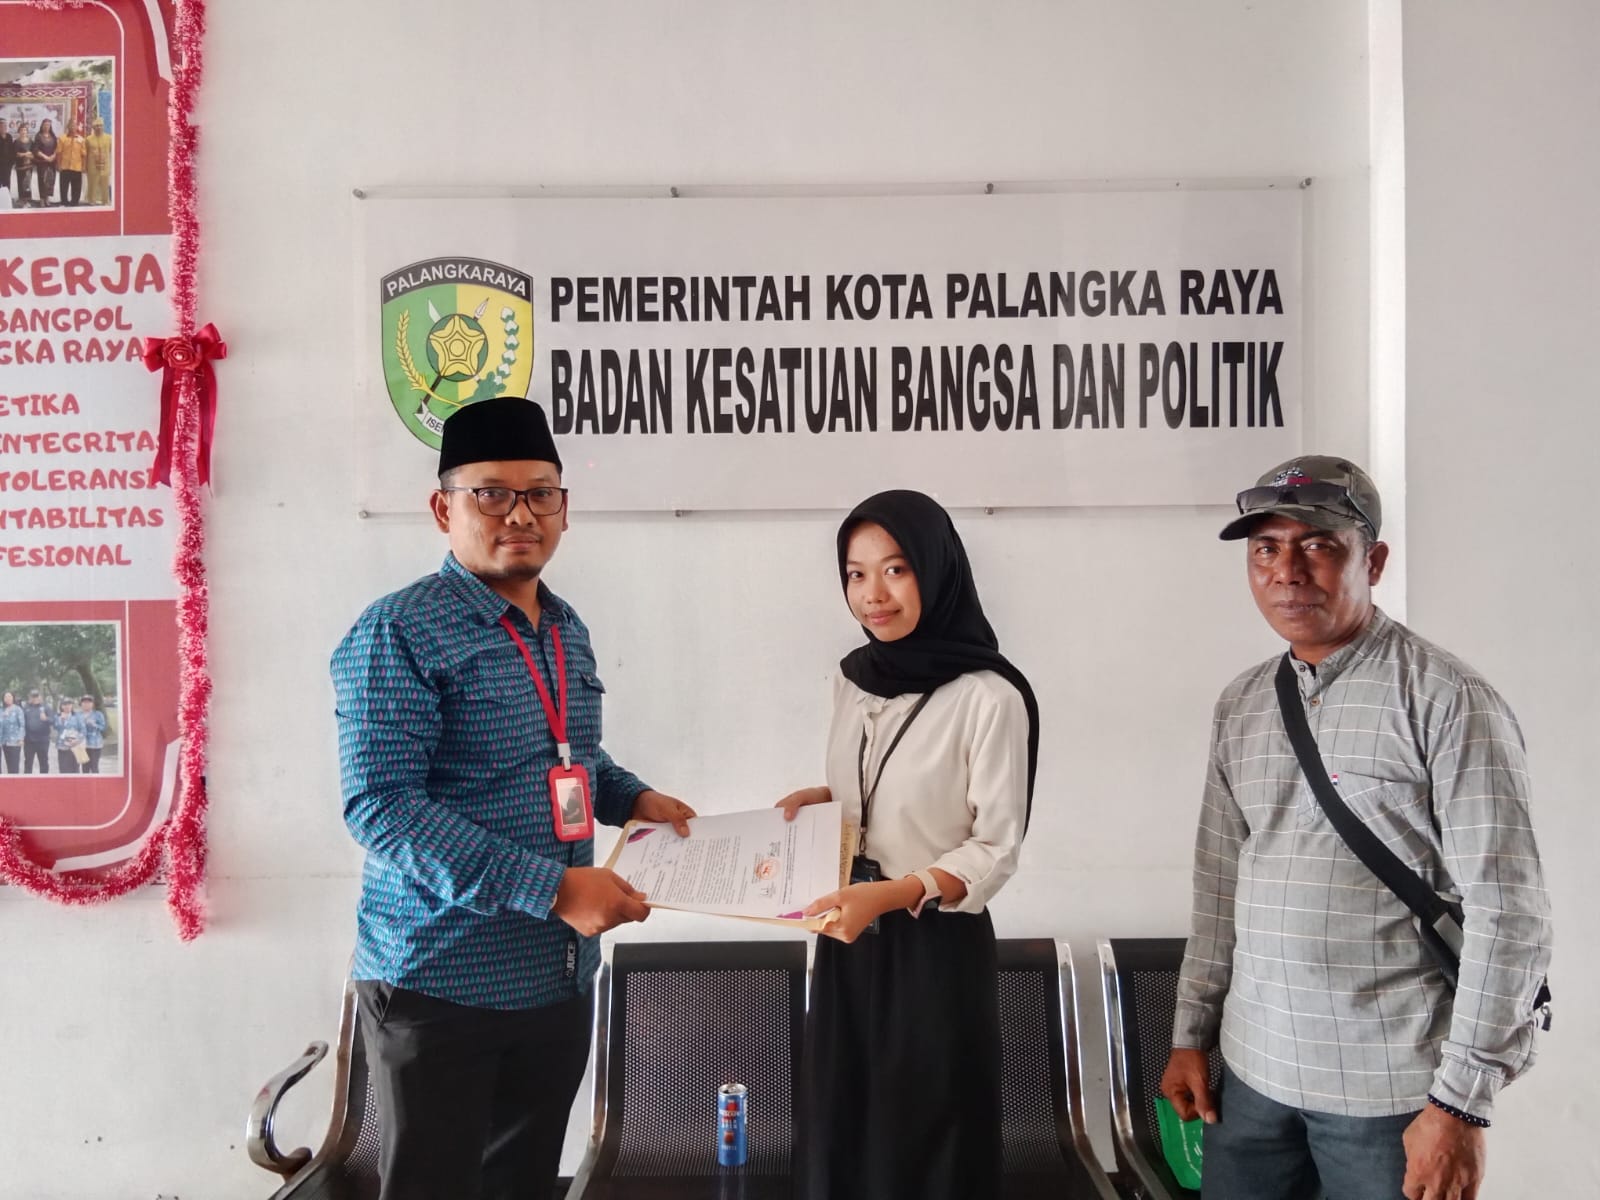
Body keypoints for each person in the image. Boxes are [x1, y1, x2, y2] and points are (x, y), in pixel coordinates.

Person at [1160, 456, 1553, 1200]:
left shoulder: (1447, 699)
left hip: (1392, 1091)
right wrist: (1190, 1035)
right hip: (1252, 1079)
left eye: (1318, 545)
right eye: (1266, 549)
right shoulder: (1242, 703)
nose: (1287, 571)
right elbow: (1218, 885)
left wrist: (1460, 1105)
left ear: (1372, 561)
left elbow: (1510, 912)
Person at [332, 396, 695, 1200]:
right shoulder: (399, 631)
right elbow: (381, 804)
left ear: (565, 507)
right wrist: (555, 888)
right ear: (444, 509)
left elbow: (568, 760)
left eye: (540, 494)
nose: (520, 514)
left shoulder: (564, 627)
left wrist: (634, 798)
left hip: (555, 979)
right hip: (440, 981)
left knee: (522, 1186)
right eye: (492, 494)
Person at [778, 489, 1040, 1200]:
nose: (873, 594)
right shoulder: (853, 680)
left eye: (896, 569)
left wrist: (896, 893)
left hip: (933, 947)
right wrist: (824, 800)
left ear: (937, 568)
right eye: (856, 573)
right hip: (847, 935)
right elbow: (878, 792)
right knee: (843, 1122)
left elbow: (995, 847)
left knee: (925, 1136)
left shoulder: (990, 696)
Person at [56, 119, 86, 206]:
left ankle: (74, 202)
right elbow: (59, 153)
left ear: (77, 127)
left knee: (76, 187)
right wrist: (58, 165)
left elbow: (84, 155)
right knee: (63, 187)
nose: (73, 127)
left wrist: (84, 166)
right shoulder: (62, 138)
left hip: (77, 167)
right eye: (71, 125)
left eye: (74, 125)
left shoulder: (81, 139)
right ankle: (64, 202)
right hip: (65, 167)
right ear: (68, 126)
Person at [22, 689, 52, 773]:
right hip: (29, 740)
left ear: (40, 697)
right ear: (30, 697)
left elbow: (53, 720)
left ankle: (44, 779)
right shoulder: (26, 707)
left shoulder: (46, 707)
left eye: (36, 696)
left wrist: (46, 719)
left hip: (43, 740)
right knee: (28, 763)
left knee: (44, 762)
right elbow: (21, 722)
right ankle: (27, 780)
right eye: (33, 696)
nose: (35, 698)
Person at [85, 117, 112, 206]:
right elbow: (86, 153)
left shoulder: (109, 138)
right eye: (97, 126)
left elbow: (111, 150)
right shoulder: (88, 139)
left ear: (103, 127)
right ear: (93, 128)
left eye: (100, 125)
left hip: (105, 165)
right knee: (92, 183)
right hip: (92, 165)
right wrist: (85, 166)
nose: (99, 127)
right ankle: (91, 200)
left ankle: (105, 201)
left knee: (105, 184)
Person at [53, 698, 84, 774]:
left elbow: (83, 730)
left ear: (72, 705)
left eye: (69, 704)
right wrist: (62, 720)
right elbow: (56, 727)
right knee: (64, 770)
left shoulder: (78, 716)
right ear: (61, 706)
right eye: (65, 704)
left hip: (77, 746)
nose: (67, 706)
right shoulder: (57, 716)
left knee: (76, 770)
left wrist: (77, 740)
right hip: (63, 746)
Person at [31, 118, 57, 207]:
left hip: (51, 162)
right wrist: (45, 157)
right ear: (42, 126)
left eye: (48, 125)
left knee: (50, 180)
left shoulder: (53, 136)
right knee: (42, 180)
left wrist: (53, 156)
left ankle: (47, 198)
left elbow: (56, 148)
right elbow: (35, 150)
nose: (47, 127)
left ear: (50, 126)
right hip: (42, 162)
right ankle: (42, 199)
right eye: (45, 125)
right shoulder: (38, 136)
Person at [79, 696, 107, 773]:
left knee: (94, 766)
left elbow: (103, 727)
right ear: (81, 704)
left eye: (89, 702)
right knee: (84, 767)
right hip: (81, 745)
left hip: (95, 745)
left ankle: (96, 781)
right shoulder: (78, 715)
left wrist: (94, 725)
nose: (86, 704)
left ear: (92, 704)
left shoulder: (98, 714)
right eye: (84, 702)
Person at [0, 691, 23, 774]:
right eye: (6, 697)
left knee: (13, 766)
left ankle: (15, 781)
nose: (8, 698)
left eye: (10, 696)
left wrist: (21, 738)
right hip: (4, 741)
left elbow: (22, 725)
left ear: (13, 698)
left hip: (15, 742)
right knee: (7, 763)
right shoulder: (1, 710)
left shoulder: (18, 709)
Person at [12, 122, 34, 208]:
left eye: (25, 130)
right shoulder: (16, 142)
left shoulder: (31, 141)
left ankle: (27, 200)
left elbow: (33, 153)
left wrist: (30, 155)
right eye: (21, 130)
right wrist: (26, 154)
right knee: (21, 183)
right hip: (20, 166)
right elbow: (16, 154)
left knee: (28, 184)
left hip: (29, 166)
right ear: (19, 131)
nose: (23, 132)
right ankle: (21, 200)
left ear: (27, 131)